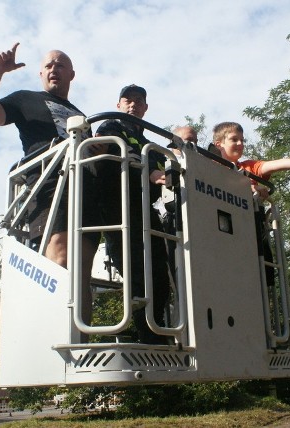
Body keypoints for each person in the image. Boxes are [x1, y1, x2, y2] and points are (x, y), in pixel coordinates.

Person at [0, 43, 99, 328]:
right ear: (41, 73)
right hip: (52, 183)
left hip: (88, 192)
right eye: (49, 65)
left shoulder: (82, 115)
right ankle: (56, 339)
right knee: (60, 261)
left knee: (81, 276)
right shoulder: (26, 99)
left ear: (71, 74)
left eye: (61, 64)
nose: (54, 68)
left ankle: (79, 343)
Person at [95, 84, 172, 345]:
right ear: (119, 105)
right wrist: (147, 170)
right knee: (135, 271)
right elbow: (108, 149)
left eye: (139, 101)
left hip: (145, 210)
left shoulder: (151, 143)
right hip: (117, 206)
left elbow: (164, 168)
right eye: (127, 100)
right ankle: (147, 334)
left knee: (160, 274)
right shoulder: (111, 127)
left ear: (145, 107)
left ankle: (157, 330)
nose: (133, 104)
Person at [211, 121, 290, 198]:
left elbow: (277, 164)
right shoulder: (207, 165)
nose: (240, 144)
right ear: (218, 144)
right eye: (234, 139)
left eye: (242, 140)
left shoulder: (248, 167)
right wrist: (248, 188)